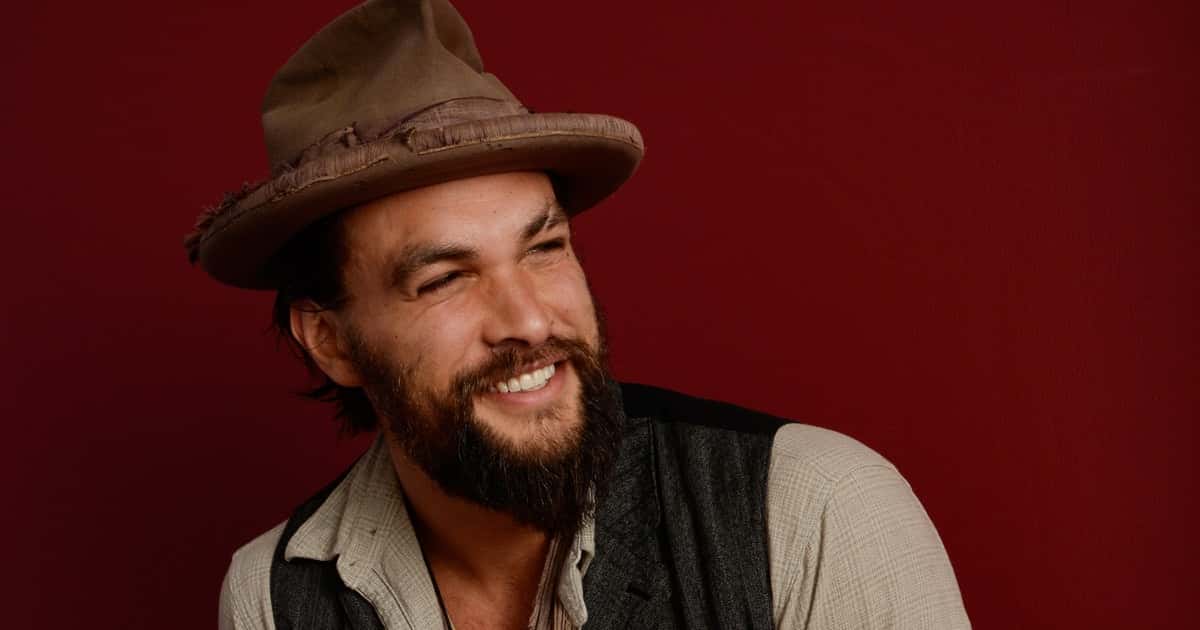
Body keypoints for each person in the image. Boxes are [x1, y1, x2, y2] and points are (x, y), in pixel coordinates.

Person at [189, 1, 971, 628]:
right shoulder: (274, 598)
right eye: (445, 278)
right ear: (330, 341)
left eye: (544, 247)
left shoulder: (813, 511)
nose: (530, 321)